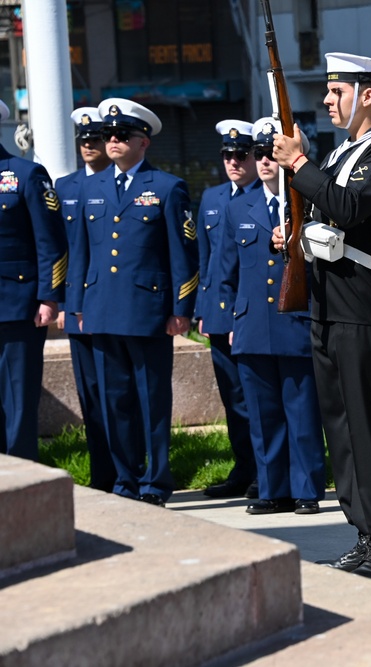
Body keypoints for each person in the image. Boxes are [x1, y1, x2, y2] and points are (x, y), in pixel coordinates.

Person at [271, 52, 371, 584]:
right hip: (328, 304)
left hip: (361, 306)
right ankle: (364, 533)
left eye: (337, 92)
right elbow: (322, 209)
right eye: (327, 93)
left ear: (367, 94)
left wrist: (298, 164)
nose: (327, 101)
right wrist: (292, 233)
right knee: (343, 427)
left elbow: (349, 208)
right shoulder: (342, 153)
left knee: (367, 425)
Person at [67, 98, 199, 506]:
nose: (112, 141)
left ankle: (155, 481)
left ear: (144, 142)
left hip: (147, 312)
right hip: (102, 309)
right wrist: (78, 305)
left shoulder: (166, 187)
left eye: (122, 135)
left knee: (151, 401)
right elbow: (81, 252)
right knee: (114, 402)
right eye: (109, 135)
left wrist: (181, 309)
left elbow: (183, 253)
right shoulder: (91, 187)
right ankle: (125, 478)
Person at [221, 118, 325, 516]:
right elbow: (226, 271)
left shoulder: (310, 204)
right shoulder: (237, 207)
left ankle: (306, 490)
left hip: (295, 321)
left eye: (270, 153)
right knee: (263, 416)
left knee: (301, 413)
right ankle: (272, 489)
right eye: (257, 154)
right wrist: (229, 320)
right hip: (251, 324)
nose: (263, 161)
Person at [0, 99, 67, 461]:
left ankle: (22, 473)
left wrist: (49, 296)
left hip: (17, 305)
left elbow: (50, 241)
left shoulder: (25, 174)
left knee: (18, 397)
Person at [196, 120, 257, 499]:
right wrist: (203, 309)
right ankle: (244, 467)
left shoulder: (268, 195)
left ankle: (264, 471)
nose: (233, 162)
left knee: (257, 398)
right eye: (227, 155)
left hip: (250, 314)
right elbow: (206, 259)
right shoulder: (212, 198)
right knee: (233, 399)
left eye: (241, 155)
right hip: (218, 313)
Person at [54, 107, 114, 489]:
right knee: (90, 394)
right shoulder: (65, 187)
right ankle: (102, 473)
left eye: (95, 139)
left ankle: (133, 470)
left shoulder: (122, 181)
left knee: (119, 394)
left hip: (116, 306)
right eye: (84, 140)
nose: (89, 145)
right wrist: (63, 303)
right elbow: (61, 250)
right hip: (79, 307)